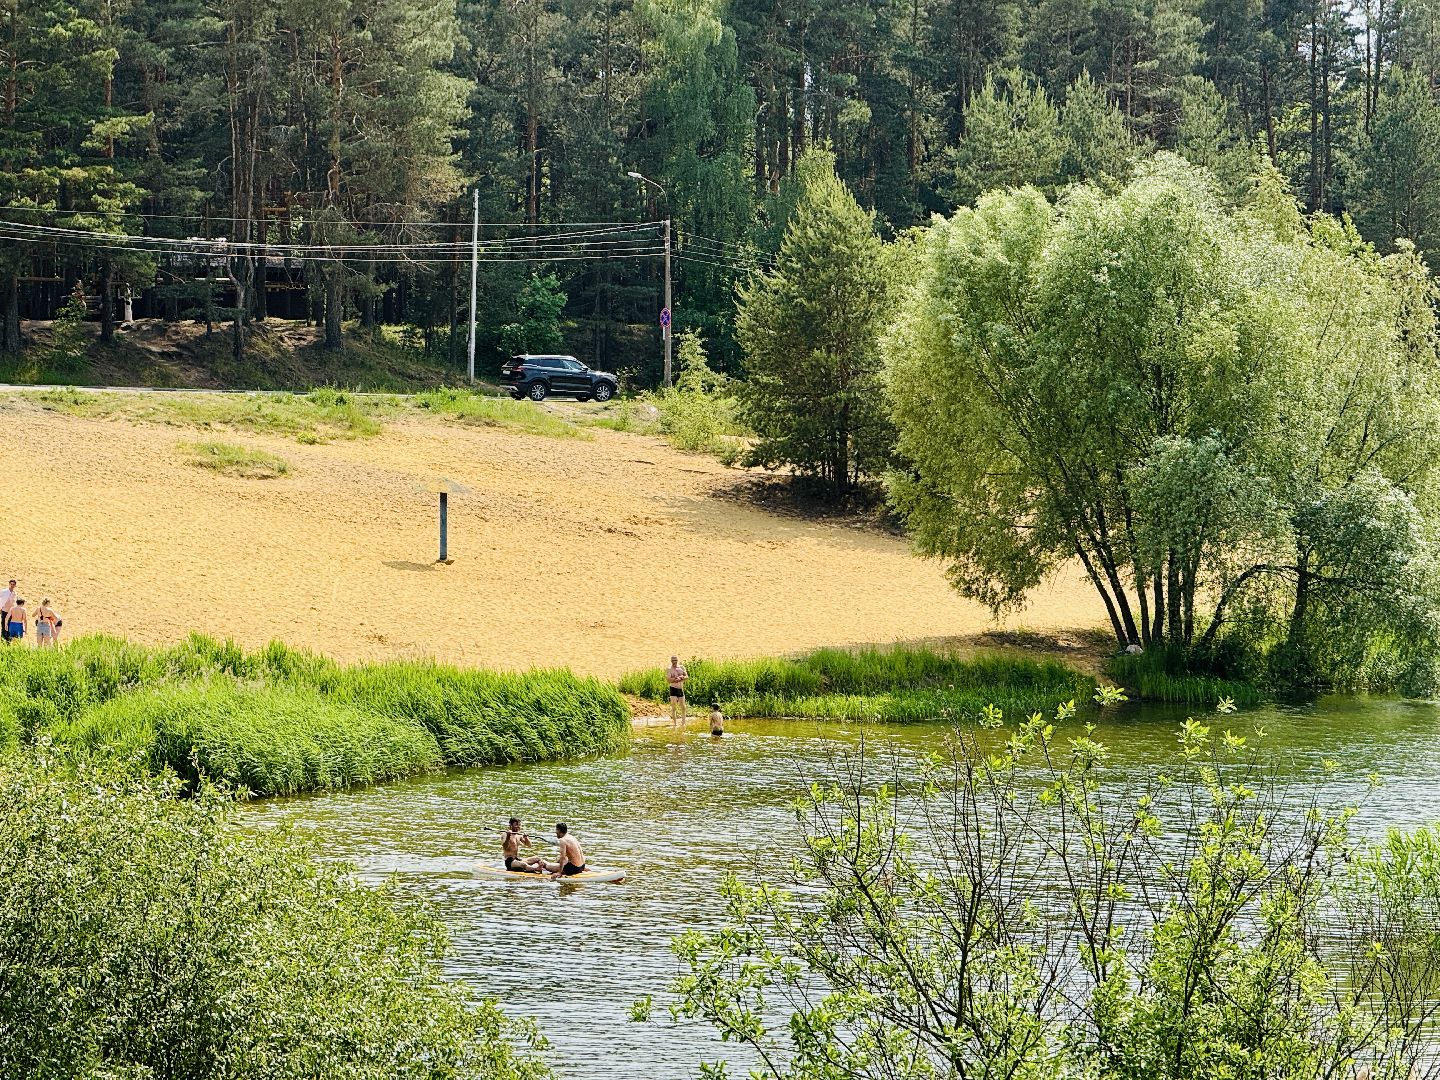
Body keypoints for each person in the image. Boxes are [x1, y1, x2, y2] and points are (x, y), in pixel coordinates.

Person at [666, 655, 689, 726]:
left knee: (683, 706)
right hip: (673, 689)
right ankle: (675, 723)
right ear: (671, 661)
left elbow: (687, 677)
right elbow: (668, 680)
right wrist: (676, 679)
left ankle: (683, 723)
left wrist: (682, 678)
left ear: (677, 660)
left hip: (680, 688)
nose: (674, 662)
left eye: (675, 660)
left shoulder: (682, 667)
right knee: (674, 706)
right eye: (673, 660)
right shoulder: (669, 669)